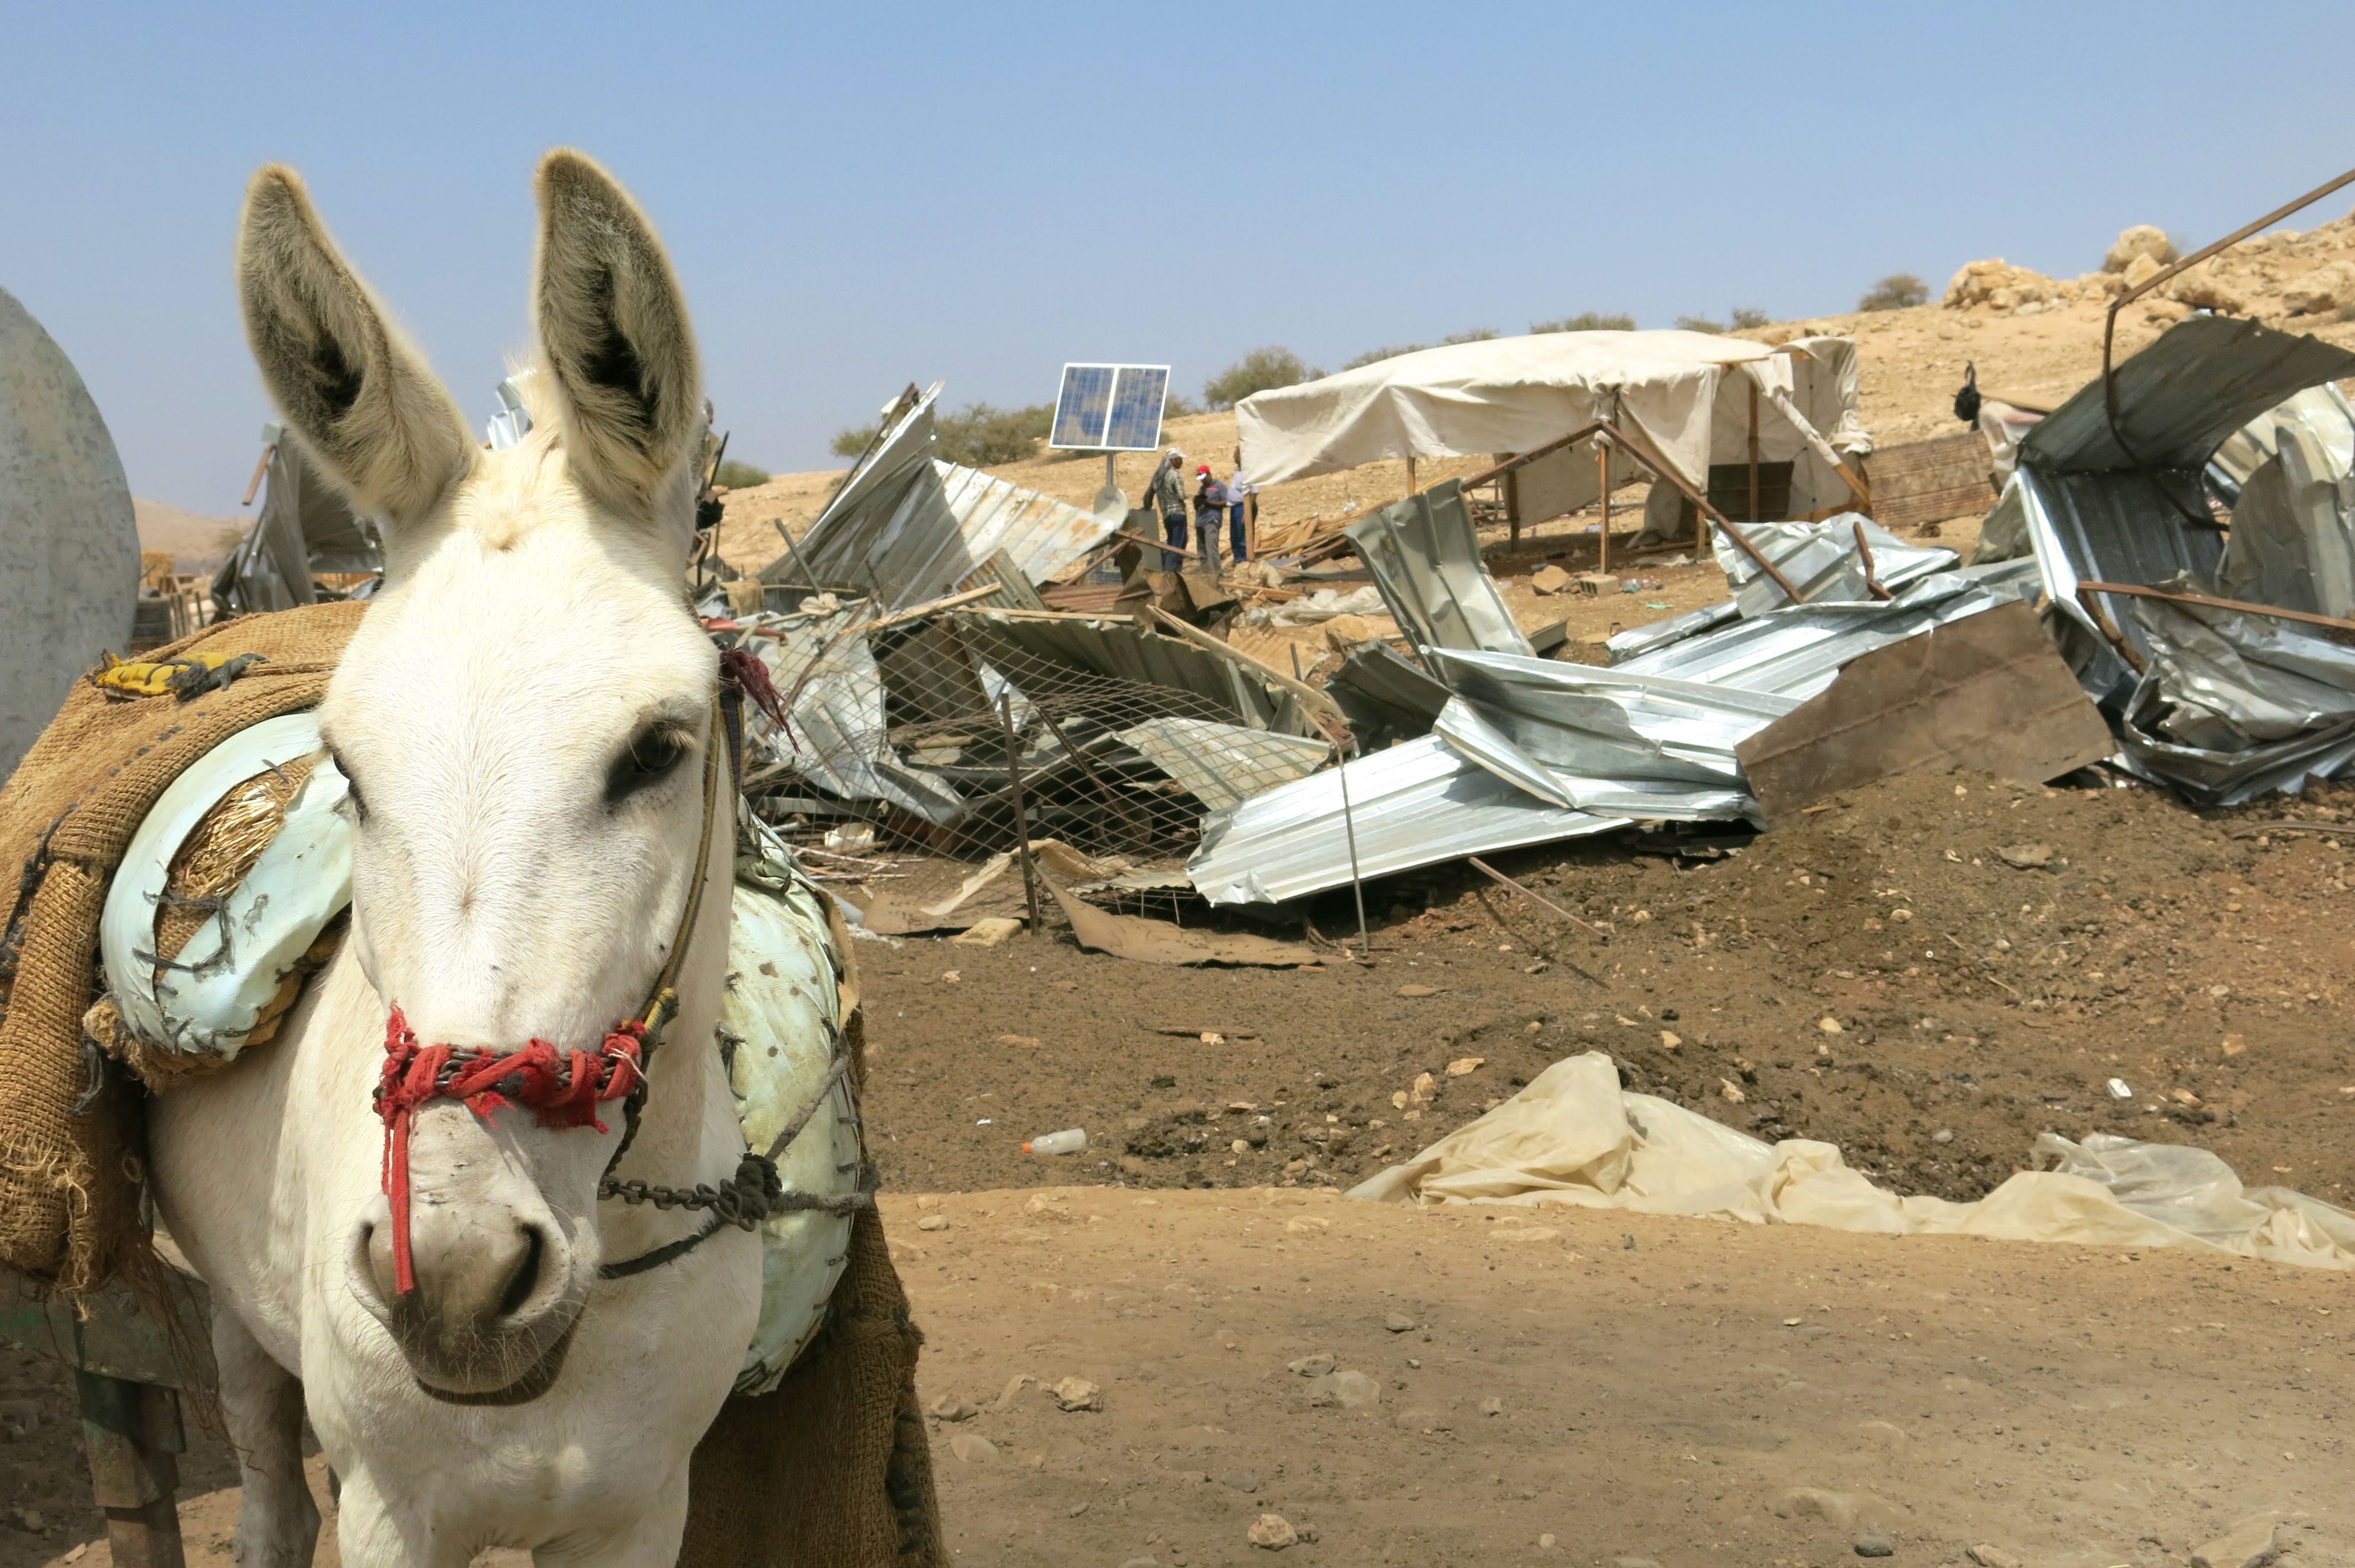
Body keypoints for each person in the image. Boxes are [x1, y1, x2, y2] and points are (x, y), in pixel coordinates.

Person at [1142, 447, 1190, 569]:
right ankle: (1169, 573)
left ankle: (1169, 570)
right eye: (1179, 459)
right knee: (1178, 546)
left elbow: (1149, 495)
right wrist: (1192, 496)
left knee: (1171, 544)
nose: (1181, 462)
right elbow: (1181, 495)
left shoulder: (1159, 477)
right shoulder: (1175, 475)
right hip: (1178, 513)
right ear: (1173, 460)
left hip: (1166, 516)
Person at [1225, 447, 1258, 564]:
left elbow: (1254, 493)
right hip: (1235, 507)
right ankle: (1238, 559)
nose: (1234, 457)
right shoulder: (1238, 470)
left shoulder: (1249, 472)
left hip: (1243, 507)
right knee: (1235, 535)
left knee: (1243, 534)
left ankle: (1245, 559)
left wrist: (1247, 511)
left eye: (1236, 454)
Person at [1192, 465, 1229, 568]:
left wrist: (1209, 503)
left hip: (1212, 520)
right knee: (1202, 551)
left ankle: (1215, 574)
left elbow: (1226, 502)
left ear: (1209, 474)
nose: (1203, 481)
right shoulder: (1202, 489)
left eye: (1204, 478)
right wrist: (1197, 503)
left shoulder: (1219, 486)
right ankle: (1206, 573)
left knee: (1211, 548)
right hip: (1200, 521)